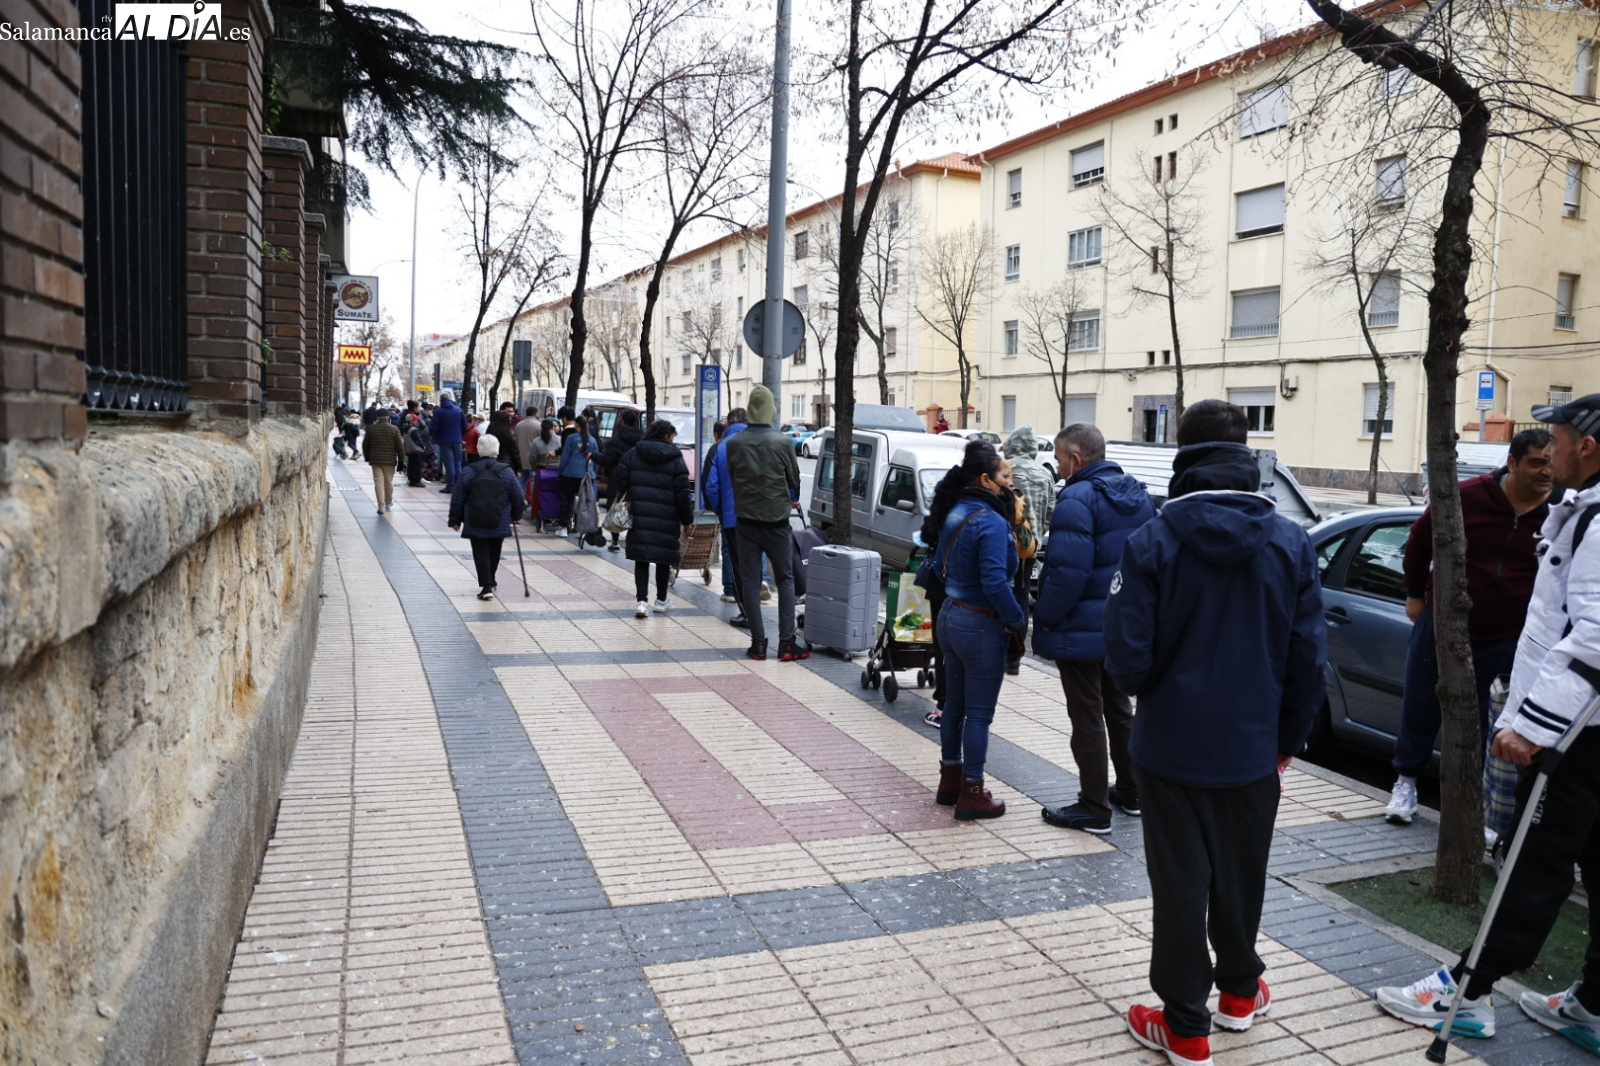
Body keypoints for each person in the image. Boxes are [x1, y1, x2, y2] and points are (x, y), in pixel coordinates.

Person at [1372, 393, 1600, 1049]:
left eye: (1555, 441)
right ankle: (1593, 1003)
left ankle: (1467, 995)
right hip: (1584, 727)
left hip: (1574, 733)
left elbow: (1591, 641)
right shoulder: (1579, 509)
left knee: (1534, 859)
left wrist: (1531, 724)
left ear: (1585, 445)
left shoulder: (1595, 520)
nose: (1549, 455)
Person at [1103, 399, 1326, 1066]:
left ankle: (1185, 1025)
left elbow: (1126, 662)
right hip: (1254, 748)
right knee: (1241, 874)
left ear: (1183, 453)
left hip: (1170, 747)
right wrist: (1287, 739)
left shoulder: (1151, 541)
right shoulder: (1292, 542)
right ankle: (1237, 994)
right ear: (1247, 451)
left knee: (1180, 884)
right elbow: (1309, 660)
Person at [1383, 428, 1554, 826]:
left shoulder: (1558, 512)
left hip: (1509, 636)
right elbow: (1420, 539)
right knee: (1421, 706)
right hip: (1443, 622)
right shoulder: (1469, 497)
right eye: (1536, 462)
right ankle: (1405, 783)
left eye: (1550, 462)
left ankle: (1476, 809)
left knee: (1490, 721)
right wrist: (1414, 592)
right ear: (1512, 463)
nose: (1546, 471)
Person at [1035, 423, 1155, 835]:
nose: (1058, 465)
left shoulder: (1076, 498)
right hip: (1122, 625)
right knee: (1120, 710)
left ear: (1076, 459)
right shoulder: (1138, 495)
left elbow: (1067, 573)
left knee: (1086, 716)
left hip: (1081, 628)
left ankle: (1093, 807)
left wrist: (1045, 617)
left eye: (1058, 457)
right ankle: (1133, 792)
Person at [925, 441, 1025, 820]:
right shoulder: (991, 522)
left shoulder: (956, 512)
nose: (1010, 484)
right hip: (980, 623)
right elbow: (996, 583)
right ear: (986, 479)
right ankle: (972, 793)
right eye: (1004, 477)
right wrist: (1017, 621)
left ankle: (949, 781)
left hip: (950, 614)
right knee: (979, 714)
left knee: (954, 706)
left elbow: (938, 564)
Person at [724, 387, 804, 660]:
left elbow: (734, 479)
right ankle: (787, 644)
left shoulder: (734, 442)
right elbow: (794, 480)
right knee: (785, 579)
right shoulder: (781, 442)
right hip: (776, 522)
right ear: (771, 409)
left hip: (745, 521)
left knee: (749, 581)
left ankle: (758, 644)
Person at [611, 419, 694, 618]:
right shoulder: (676, 459)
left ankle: (641, 602)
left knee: (642, 558)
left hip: (640, 514)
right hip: (667, 518)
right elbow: (683, 494)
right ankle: (661, 600)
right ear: (667, 436)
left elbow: (619, 478)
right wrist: (687, 520)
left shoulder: (634, 453)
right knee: (663, 559)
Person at [448, 434, 525, 600]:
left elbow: (458, 497)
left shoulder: (469, 471)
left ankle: (486, 585)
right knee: (495, 551)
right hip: (499, 519)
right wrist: (515, 515)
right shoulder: (506, 472)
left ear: (478, 449)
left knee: (480, 552)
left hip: (475, 520)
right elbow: (518, 497)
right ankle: (491, 580)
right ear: (496, 451)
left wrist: (455, 519)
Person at [705, 409, 751, 619]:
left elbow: (712, 488)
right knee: (755, 558)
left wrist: (722, 512)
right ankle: (761, 585)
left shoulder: (721, 447)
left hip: (733, 518)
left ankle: (745, 610)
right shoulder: (762, 441)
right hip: (761, 516)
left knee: (737, 561)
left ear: (729, 424)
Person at [598, 409, 644, 552]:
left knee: (615, 509)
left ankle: (615, 542)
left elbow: (608, 459)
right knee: (637, 509)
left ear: (622, 421)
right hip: (638, 479)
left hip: (617, 479)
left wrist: (592, 455)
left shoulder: (615, 440)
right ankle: (635, 541)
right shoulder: (642, 438)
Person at [555, 405, 599, 537]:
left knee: (566, 501)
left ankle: (563, 527)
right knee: (584, 502)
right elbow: (596, 459)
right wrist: (593, 474)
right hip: (587, 475)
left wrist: (561, 472)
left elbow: (565, 458)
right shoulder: (593, 440)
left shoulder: (571, 438)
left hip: (569, 474)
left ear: (577, 425)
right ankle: (581, 527)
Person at [362, 410, 406, 515]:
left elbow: (365, 445)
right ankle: (388, 503)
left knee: (378, 482)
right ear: (388, 417)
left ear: (377, 417)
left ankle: (381, 506)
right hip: (390, 461)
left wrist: (367, 457)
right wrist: (401, 461)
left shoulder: (371, 429)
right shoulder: (394, 429)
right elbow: (400, 447)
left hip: (375, 460)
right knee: (388, 482)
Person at [430, 390, 467, 493]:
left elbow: (434, 427)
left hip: (445, 440)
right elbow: (464, 425)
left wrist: (436, 437)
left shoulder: (438, 411)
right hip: (457, 440)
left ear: (441, 400)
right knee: (458, 463)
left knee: (449, 463)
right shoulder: (458, 410)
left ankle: (451, 486)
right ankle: (458, 486)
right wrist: (460, 435)